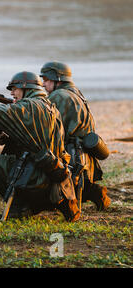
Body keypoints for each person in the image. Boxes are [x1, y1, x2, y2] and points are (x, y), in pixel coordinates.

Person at [0, 71, 80, 221]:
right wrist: (8, 138)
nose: (12, 92)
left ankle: (20, 206)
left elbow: (1, 111)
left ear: (27, 88)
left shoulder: (31, 106)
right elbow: (35, 138)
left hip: (36, 179)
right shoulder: (49, 106)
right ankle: (28, 204)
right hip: (54, 177)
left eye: (15, 88)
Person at [40, 61, 111, 211]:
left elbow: (48, 129)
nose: (43, 84)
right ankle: (94, 192)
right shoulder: (75, 92)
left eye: (46, 80)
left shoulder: (59, 95)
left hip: (73, 158)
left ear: (58, 79)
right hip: (83, 160)